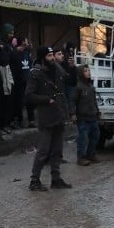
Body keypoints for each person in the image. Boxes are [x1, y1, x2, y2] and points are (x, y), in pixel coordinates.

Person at [26, 47, 72, 190]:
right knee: (43, 151)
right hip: (46, 116)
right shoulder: (36, 74)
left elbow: (69, 79)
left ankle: (56, 178)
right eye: (49, 55)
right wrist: (46, 100)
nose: (52, 58)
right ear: (42, 57)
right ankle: (34, 180)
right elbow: (29, 95)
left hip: (59, 114)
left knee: (57, 150)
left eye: (53, 55)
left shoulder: (56, 70)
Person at [73, 64, 101, 166]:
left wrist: (97, 112)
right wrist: (72, 114)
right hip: (83, 118)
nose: (88, 72)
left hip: (92, 116)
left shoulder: (91, 87)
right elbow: (73, 101)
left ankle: (91, 154)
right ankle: (81, 157)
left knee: (95, 136)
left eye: (88, 70)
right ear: (81, 73)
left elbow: (94, 101)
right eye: (85, 71)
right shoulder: (78, 87)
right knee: (83, 138)